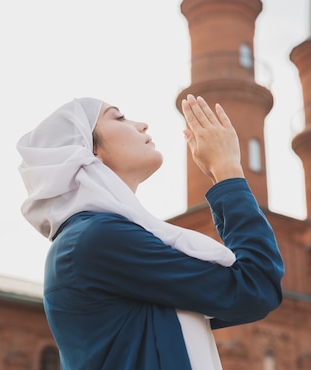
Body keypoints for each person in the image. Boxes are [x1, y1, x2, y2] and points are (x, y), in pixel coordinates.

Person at [17, 94, 284, 370]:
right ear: (86, 149)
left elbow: (246, 293)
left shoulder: (93, 237)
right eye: (118, 117)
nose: (141, 125)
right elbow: (254, 288)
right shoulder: (98, 239)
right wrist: (228, 172)